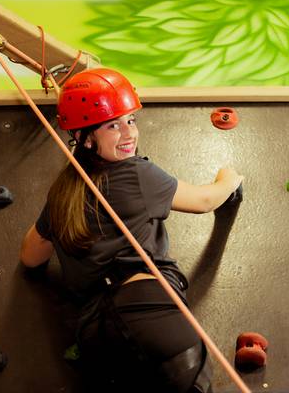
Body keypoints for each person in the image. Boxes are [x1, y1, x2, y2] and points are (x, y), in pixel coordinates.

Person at [20, 68, 243, 393]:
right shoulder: (134, 172)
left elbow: (30, 257)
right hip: (147, 307)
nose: (129, 134)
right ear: (84, 137)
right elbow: (204, 201)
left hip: (95, 333)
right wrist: (229, 178)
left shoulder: (62, 194)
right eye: (113, 125)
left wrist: (54, 221)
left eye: (131, 121)